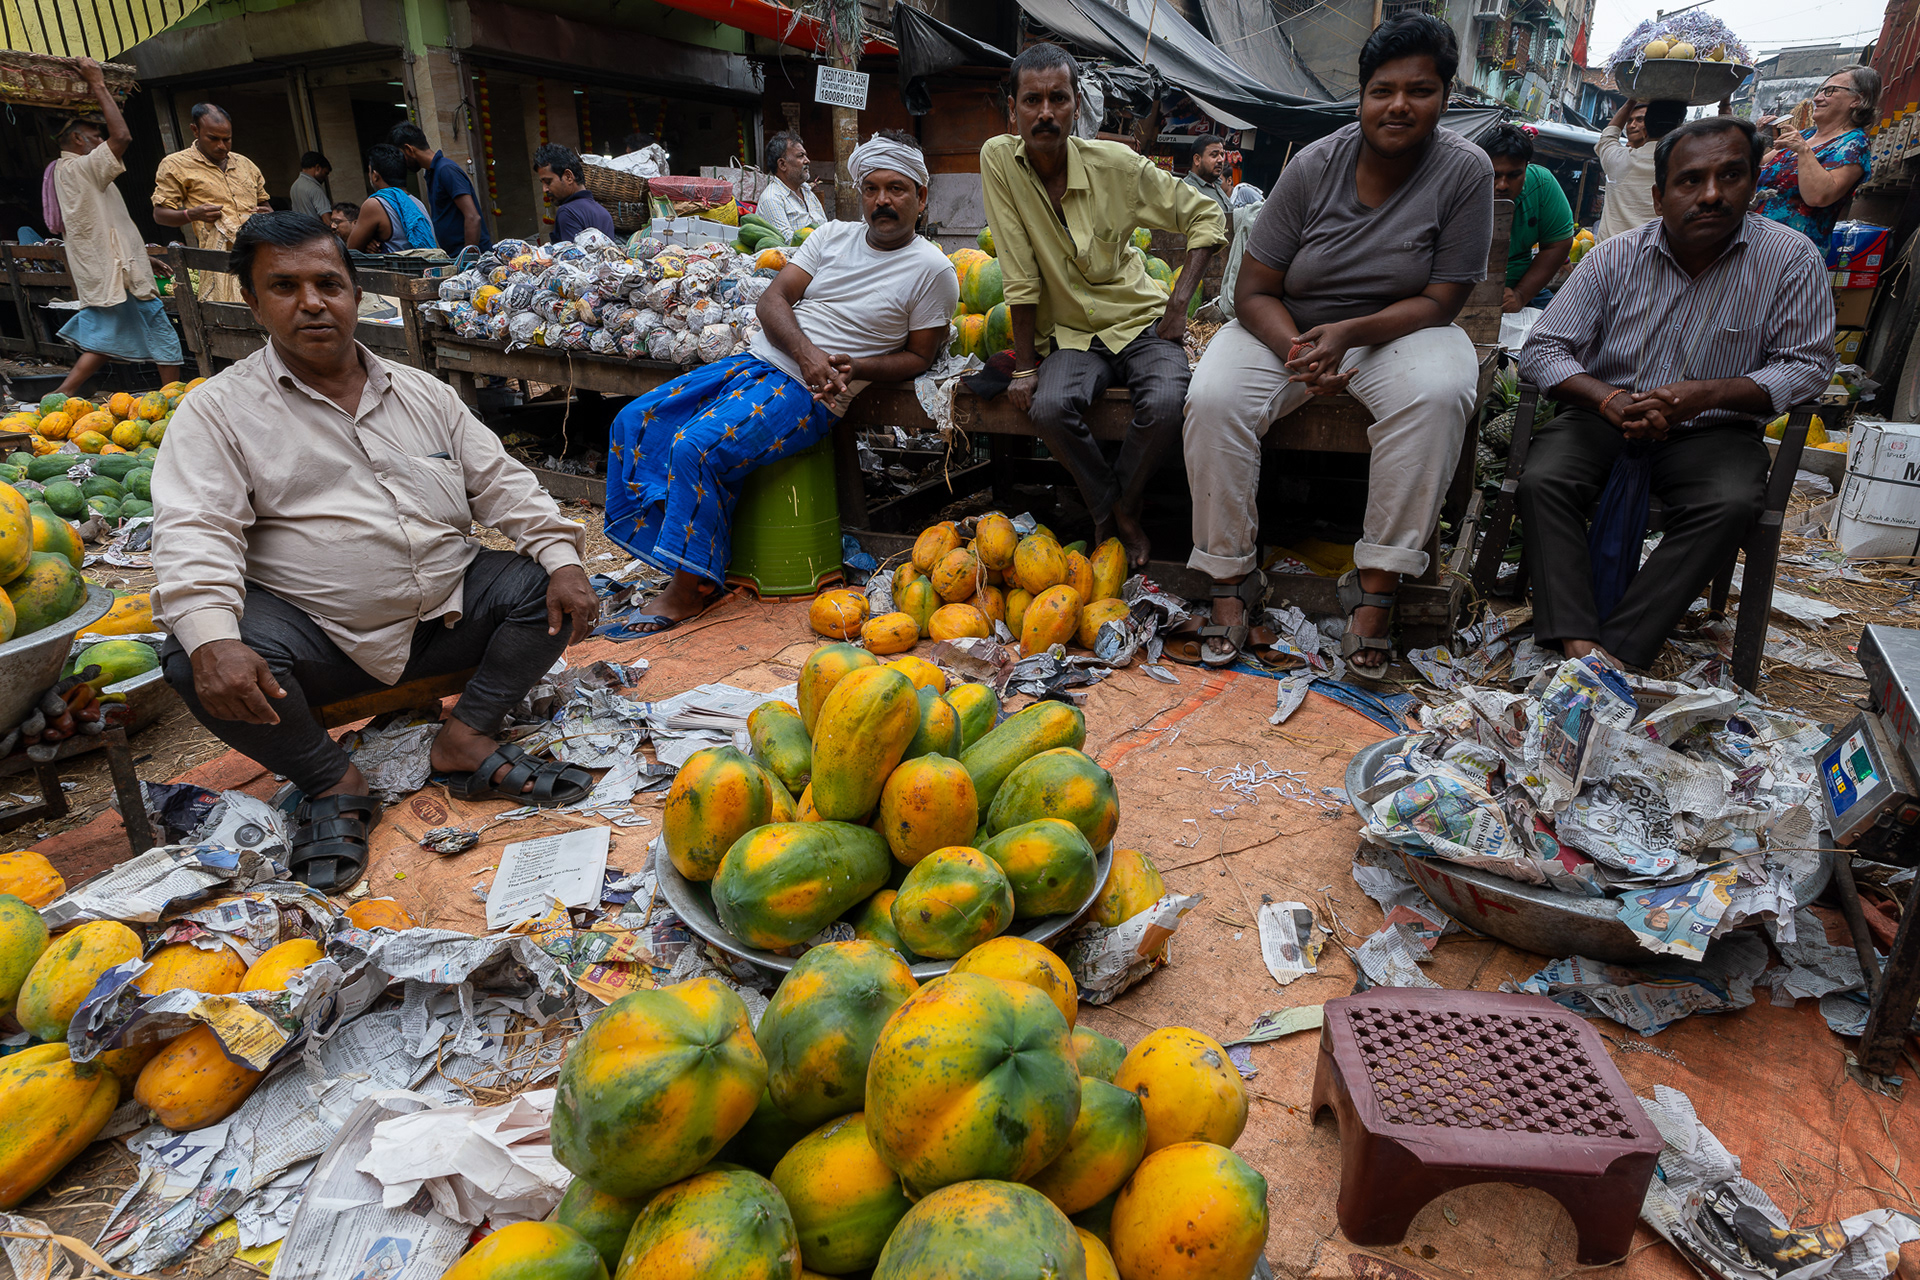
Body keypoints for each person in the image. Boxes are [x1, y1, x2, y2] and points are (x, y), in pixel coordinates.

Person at [150, 212, 599, 892]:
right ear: (252, 301)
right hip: (321, 645)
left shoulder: (423, 393)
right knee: (193, 652)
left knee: (550, 585)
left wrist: (564, 560)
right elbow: (195, 530)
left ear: (356, 295)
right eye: (284, 286)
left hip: (446, 622)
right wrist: (213, 634)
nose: (311, 303)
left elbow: (504, 485)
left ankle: (466, 738)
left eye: (329, 283)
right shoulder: (217, 412)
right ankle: (333, 779)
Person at [1181, 14, 1491, 669]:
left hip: (1403, 331)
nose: (1399, 105)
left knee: (1436, 395)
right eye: (1382, 90)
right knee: (1213, 396)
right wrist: (1301, 348)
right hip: (1288, 326)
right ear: (1361, 96)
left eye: (1420, 90)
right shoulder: (1316, 166)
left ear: (1445, 95)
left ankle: (1374, 589)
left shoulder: (1466, 172)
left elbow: (1443, 300)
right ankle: (1230, 579)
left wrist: (1349, 333)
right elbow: (1253, 293)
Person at [604, 132, 956, 633]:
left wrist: (855, 367)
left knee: (695, 449)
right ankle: (686, 553)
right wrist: (807, 352)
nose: (883, 200)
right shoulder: (831, 235)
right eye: (873, 188)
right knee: (633, 419)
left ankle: (689, 589)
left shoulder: (933, 270)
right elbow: (772, 301)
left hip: (810, 395)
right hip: (758, 361)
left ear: (921, 198)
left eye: (898, 189)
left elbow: (919, 356)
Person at [1516, 116, 1834, 671]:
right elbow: (1545, 348)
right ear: (1660, 195)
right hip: (1605, 415)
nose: (1711, 194)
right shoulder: (1613, 257)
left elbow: (1807, 367)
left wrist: (1706, 394)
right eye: (1691, 181)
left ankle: (1618, 650)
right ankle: (1575, 639)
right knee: (1545, 479)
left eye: (1730, 176)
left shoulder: (1789, 259)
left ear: (1753, 182)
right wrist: (1608, 399)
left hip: (1715, 427)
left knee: (1731, 501)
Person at [981, 42, 1224, 567]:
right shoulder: (999, 161)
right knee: (1047, 406)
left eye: (1058, 99)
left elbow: (1207, 217)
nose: (1045, 113)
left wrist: (1180, 303)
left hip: (1139, 320)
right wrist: (1024, 367)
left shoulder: (1116, 165)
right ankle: (1105, 506)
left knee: (1165, 402)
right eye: (1032, 100)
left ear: (1076, 106)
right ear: (1013, 110)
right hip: (1070, 332)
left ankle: (1127, 507)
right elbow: (1019, 274)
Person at [49, 59, 183, 396]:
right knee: (160, 332)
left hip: (116, 267)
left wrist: (140, 257)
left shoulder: (73, 171)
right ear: (78, 139)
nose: (100, 140)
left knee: (104, 338)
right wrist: (98, 83)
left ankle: (59, 396)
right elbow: (122, 135)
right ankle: (174, 402)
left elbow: (105, 224)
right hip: (115, 272)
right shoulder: (80, 168)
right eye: (95, 136)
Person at [152, 103, 271, 304]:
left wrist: (267, 215)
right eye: (213, 139)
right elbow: (160, 214)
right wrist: (192, 214)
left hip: (260, 254)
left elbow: (267, 207)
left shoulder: (245, 164)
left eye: (227, 139)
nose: (221, 146)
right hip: (220, 264)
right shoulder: (175, 165)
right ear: (195, 130)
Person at [1754, 65, 1880, 245]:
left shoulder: (1854, 144)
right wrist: (1757, 137)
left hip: (1790, 251)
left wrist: (1803, 151)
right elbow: (1758, 166)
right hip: (1754, 240)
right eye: (1820, 91)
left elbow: (1819, 196)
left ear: (1858, 100)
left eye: (1830, 91)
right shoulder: (1805, 135)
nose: (1817, 98)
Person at [1481, 124, 1574, 313]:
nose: (1502, 185)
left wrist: (1520, 295)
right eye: (1494, 175)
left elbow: (1558, 244)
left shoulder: (1542, 184)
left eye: (1514, 175)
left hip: (1522, 287)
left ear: (1526, 167)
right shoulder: (1461, 185)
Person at [390, 122, 491, 255]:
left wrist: (467, 260)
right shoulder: (432, 173)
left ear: (409, 149)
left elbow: (473, 217)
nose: (402, 162)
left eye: (401, 154)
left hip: (473, 260)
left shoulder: (446, 169)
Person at [1595, 99, 1689, 242]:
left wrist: (1631, 100)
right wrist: (1724, 103)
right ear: (1680, 133)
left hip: (1609, 259)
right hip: (1656, 257)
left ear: (1645, 131)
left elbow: (1608, 135)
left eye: (1639, 120)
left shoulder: (1617, 161)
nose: (1632, 126)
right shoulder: (1688, 166)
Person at [346, 144, 438, 254]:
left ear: (375, 175)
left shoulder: (374, 205)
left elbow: (352, 252)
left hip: (397, 271)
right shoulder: (417, 203)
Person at [534, 144, 615, 245]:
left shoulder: (567, 212)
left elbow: (571, 259)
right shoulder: (603, 212)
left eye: (548, 181)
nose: (544, 189)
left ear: (568, 177)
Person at [755, 131, 826, 239]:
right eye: (800, 156)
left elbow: (826, 229)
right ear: (782, 164)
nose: (807, 161)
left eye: (805, 156)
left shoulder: (807, 192)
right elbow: (788, 242)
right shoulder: (772, 198)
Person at [1181, 133, 1234, 225]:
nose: (1221, 160)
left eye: (1222, 155)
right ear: (1197, 159)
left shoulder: (1216, 185)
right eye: (1214, 155)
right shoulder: (1188, 190)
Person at [290, 152, 331, 220]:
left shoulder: (294, 186)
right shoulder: (315, 189)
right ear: (318, 168)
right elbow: (327, 219)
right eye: (325, 173)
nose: (325, 177)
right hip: (316, 229)